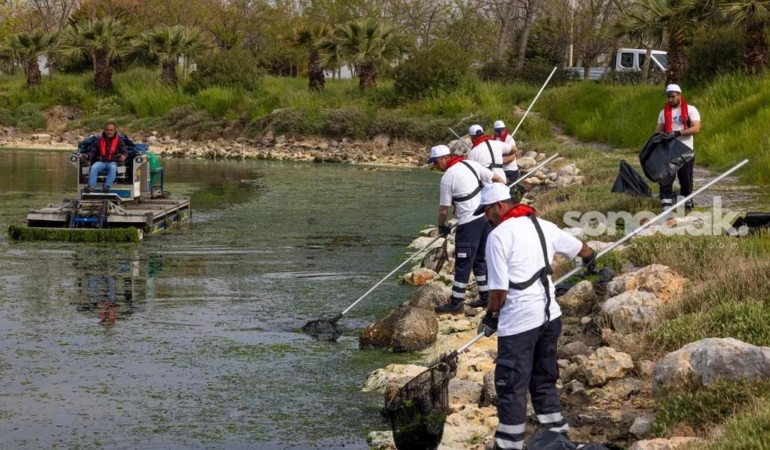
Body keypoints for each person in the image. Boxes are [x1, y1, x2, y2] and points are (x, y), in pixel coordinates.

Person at [473, 183, 597, 450]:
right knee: (543, 381)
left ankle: (509, 445)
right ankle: (558, 438)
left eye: (486, 211)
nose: (485, 217)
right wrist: (591, 261)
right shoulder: (542, 225)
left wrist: (490, 316)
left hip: (519, 324)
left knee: (511, 387)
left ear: (499, 206)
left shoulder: (498, 236)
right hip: (550, 319)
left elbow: (499, 291)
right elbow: (583, 249)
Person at [428, 144, 505, 313]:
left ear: (445, 158)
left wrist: (441, 226)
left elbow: (443, 210)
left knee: (463, 263)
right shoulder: (471, 164)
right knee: (479, 260)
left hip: (469, 223)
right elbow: (499, 179)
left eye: (435, 162)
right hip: (485, 219)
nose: (434, 165)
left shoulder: (448, 177)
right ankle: (486, 297)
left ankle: (456, 302)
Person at [655, 84, 701, 210]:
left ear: (679, 95)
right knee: (666, 178)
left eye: (673, 96)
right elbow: (658, 132)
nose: (670, 99)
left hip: (686, 148)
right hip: (669, 150)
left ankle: (686, 201)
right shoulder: (663, 113)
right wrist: (661, 138)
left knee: (685, 177)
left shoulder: (691, 110)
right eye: (668, 97)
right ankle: (666, 203)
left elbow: (696, 128)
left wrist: (677, 133)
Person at [83, 122, 128, 193]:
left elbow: (125, 151)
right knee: (94, 167)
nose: (109, 132)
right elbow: (93, 151)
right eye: (107, 130)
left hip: (113, 162)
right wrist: (88, 155)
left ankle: (107, 186)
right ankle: (91, 187)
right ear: (104, 130)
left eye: (111, 130)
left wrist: (124, 156)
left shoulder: (120, 141)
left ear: (114, 130)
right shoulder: (99, 141)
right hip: (101, 162)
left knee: (113, 168)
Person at [493, 120, 519, 185]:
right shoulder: (495, 139)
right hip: (501, 170)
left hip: (510, 170)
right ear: (495, 131)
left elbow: (512, 157)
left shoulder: (509, 140)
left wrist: (499, 163)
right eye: (498, 131)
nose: (501, 132)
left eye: (502, 130)